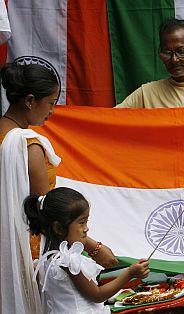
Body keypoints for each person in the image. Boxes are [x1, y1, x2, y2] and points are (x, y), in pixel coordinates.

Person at [0, 61, 118, 314]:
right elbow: (50, 213)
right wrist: (95, 249)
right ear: (30, 100)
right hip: (23, 250)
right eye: (51, 102)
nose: (53, 110)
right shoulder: (29, 146)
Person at [24, 187, 150, 313]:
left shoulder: (51, 256)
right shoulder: (68, 261)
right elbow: (97, 295)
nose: (86, 229)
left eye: (86, 222)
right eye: (81, 222)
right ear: (59, 228)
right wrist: (130, 274)